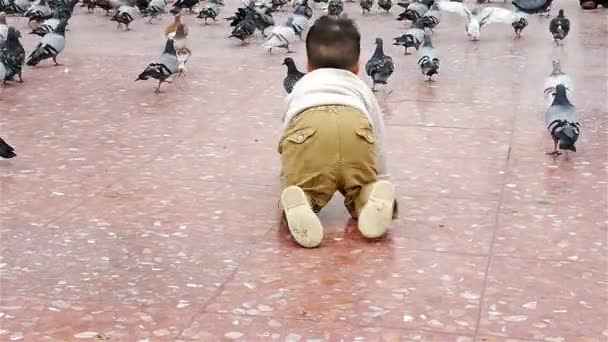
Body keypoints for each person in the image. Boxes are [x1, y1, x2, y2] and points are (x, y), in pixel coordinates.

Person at [278, 15, 397, 248]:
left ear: (309, 65)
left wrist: (287, 176)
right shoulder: (360, 87)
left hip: (308, 132)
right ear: (357, 67)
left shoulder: (302, 85)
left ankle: (302, 200)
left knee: (302, 189)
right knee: (361, 188)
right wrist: (381, 177)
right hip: (356, 130)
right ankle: (371, 197)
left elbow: (287, 132)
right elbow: (378, 138)